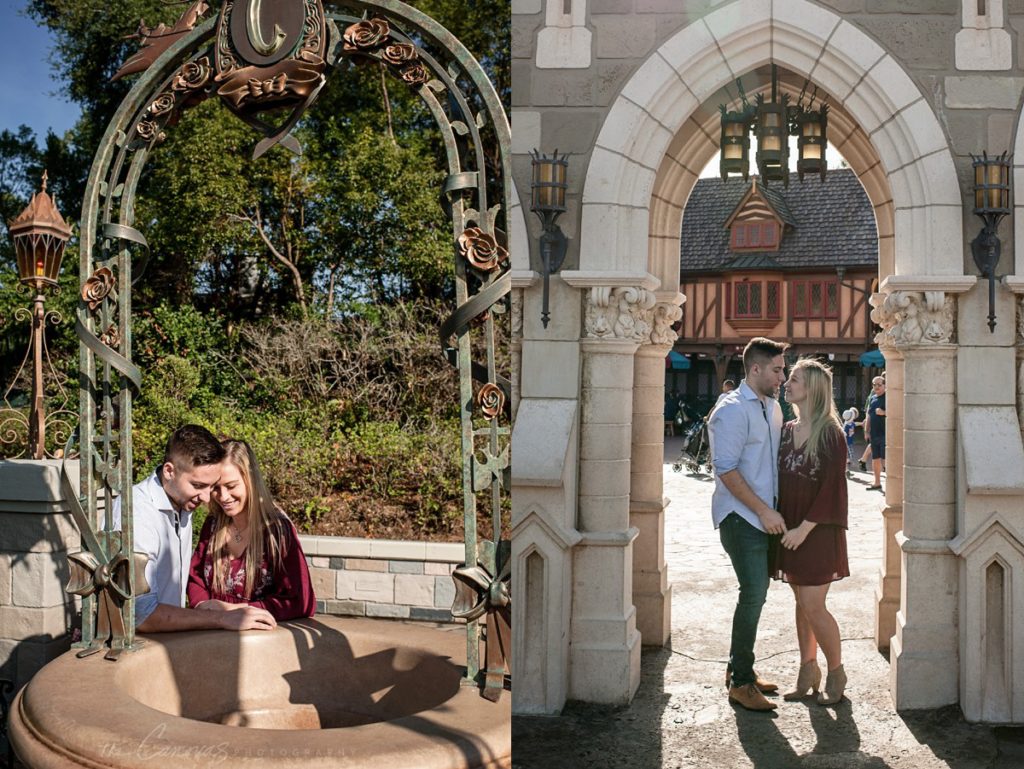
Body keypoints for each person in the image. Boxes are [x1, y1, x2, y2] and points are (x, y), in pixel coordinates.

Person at [128, 425, 278, 632]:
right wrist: (220, 618)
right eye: (198, 486)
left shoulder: (182, 503)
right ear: (169, 471)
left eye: (211, 486)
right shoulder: (137, 514)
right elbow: (141, 614)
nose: (208, 498)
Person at [707, 338, 788, 712]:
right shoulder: (732, 410)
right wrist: (764, 512)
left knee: (755, 594)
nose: (782, 377)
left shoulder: (772, 408)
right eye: (777, 369)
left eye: (784, 370)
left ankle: (740, 670)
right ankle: (740, 683)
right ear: (755, 369)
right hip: (741, 518)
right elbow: (726, 470)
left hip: (763, 517)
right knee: (753, 593)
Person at [773, 359, 850, 705]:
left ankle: (836, 671)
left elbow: (833, 488)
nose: (787, 383)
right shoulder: (787, 429)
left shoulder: (831, 433)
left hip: (817, 531)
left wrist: (803, 530)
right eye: (788, 378)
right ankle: (808, 668)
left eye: (795, 379)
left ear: (813, 389)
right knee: (799, 604)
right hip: (789, 529)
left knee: (813, 604)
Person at [188, 439, 316, 621]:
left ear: (251, 480)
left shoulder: (277, 531)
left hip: (259, 642)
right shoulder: (213, 524)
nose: (223, 497)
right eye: (216, 488)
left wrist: (235, 610)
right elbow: (195, 577)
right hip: (211, 635)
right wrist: (202, 605)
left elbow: (300, 601)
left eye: (231, 486)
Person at [866, 377, 886, 491]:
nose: (876, 387)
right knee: (875, 459)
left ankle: (892, 484)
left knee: (885, 460)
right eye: (874, 384)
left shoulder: (889, 397)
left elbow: (897, 413)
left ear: (884, 385)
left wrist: (884, 412)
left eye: (879, 384)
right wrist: (866, 431)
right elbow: (869, 416)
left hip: (885, 434)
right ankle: (877, 483)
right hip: (874, 434)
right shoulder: (872, 398)